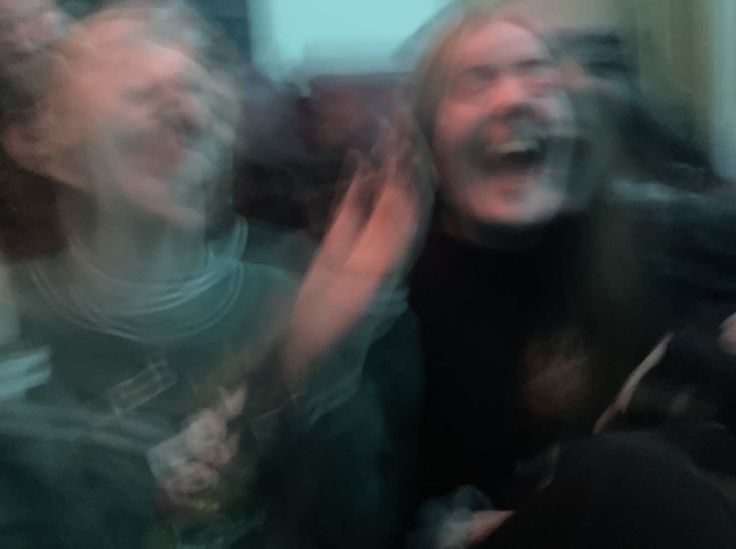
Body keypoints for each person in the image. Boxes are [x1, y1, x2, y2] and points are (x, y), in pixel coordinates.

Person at [0, 2, 428, 547]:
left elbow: (354, 523)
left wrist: (323, 359)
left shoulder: (290, 293)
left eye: (202, 81)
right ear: (43, 139)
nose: (188, 108)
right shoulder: (15, 326)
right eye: (139, 81)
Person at [407, 4, 736, 547]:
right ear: (429, 138)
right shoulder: (396, 300)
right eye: (475, 81)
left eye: (538, 73)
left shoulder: (655, 237)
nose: (514, 97)